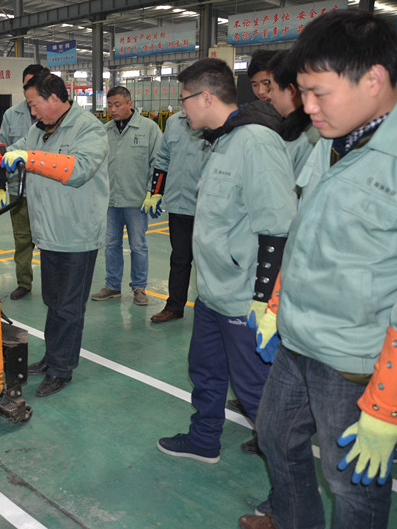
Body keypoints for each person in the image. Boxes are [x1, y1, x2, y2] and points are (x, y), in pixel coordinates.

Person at [240, 10, 397, 529]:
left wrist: (386, 404)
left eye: (318, 93)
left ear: (373, 79)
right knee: (275, 437)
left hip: (355, 362)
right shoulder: (332, 139)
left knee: (350, 483)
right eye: (302, 92)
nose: (306, 107)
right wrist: (275, 305)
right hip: (298, 342)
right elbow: (305, 233)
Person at [156, 59, 296, 464]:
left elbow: (278, 226)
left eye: (184, 99)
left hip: (242, 298)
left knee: (255, 390)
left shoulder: (256, 143)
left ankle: (286, 483)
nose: (181, 109)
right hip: (212, 292)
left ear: (205, 98)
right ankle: (204, 439)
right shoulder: (222, 141)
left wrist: (263, 300)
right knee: (205, 371)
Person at [0, 72, 108, 397]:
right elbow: (14, 150)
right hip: (48, 235)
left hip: (77, 235)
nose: (32, 112)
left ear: (54, 99)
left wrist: (30, 158)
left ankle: (62, 369)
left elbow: (79, 169)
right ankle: (51, 358)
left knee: (69, 307)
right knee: (53, 302)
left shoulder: (88, 128)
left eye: (35, 105)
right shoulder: (38, 130)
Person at [90, 86, 161, 306]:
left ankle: (139, 287)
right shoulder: (105, 131)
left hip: (137, 200)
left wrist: (152, 192)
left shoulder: (149, 129)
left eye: (117, 104)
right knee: (111, 245)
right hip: (110, 200)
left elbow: (158, 162)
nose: (112, 109)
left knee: (138, 245)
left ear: (130, 103)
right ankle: (112, 286)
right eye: (109, 105)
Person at [143, 110, 210, 323]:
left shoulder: (215, 121)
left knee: (210, 262)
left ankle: (210, 310)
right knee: (179, 259)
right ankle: (174, 306)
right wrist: (155, 192)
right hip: (179, 204)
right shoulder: (174, 122)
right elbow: (162, 159)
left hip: (208, 207)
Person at [0, 63, 48, 300]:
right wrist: (0, 184)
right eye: (28, 84)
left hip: (47, 189)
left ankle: (52, 282)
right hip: (18, 188)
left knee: (49, 238)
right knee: (22, 239)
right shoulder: (11, 115)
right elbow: (2, 149)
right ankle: (24, 282)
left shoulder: (54, 115)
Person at [266, 50, 321, 178]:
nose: (269, 96)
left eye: (272, 89)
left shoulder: (309, 139)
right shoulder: (289, 129)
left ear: (291, 90)